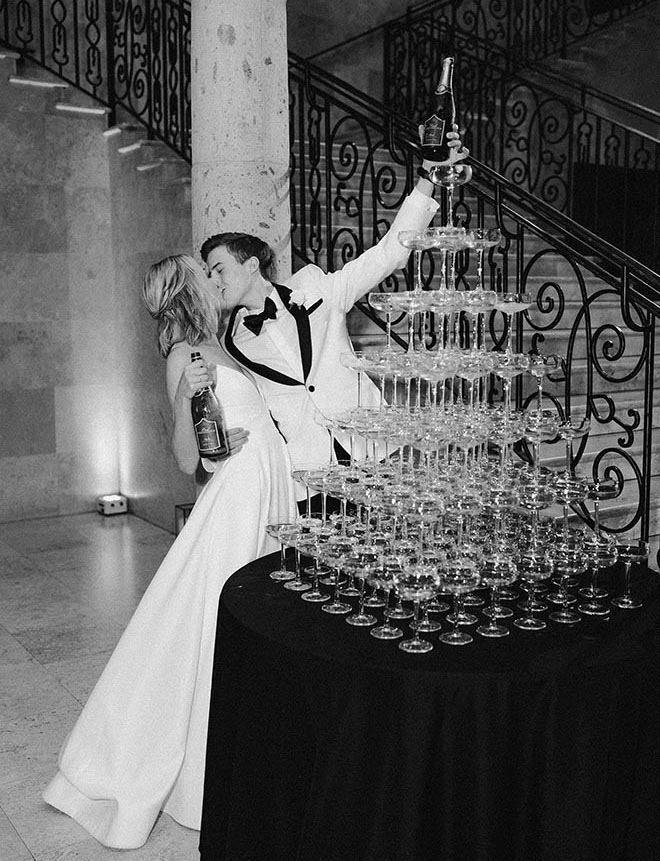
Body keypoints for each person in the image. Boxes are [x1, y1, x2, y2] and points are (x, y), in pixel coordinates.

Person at [42, 254, 296, 849]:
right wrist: (197, 422)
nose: (215, 279)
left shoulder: (223, 339)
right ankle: (190, 776)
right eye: (203, 271)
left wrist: (225, 444)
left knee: (254, 623)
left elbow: (226, 435)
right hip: (237, 499)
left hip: (267, 484)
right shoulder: (186, 353)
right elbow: (186, 460)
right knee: (212, 629)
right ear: (188, 287)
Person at [200, 129, 468, 500]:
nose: (212, 281)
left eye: (218, 269)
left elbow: (389, 252)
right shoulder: (230, 340)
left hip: (375, 451)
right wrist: (216, 450)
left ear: (249, 265)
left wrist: (428, 179)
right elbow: (241, 403)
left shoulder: (316, 288)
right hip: (309, 474)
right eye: (208, 275)